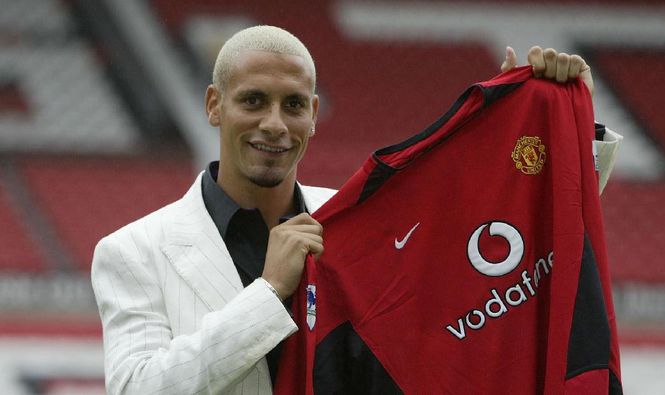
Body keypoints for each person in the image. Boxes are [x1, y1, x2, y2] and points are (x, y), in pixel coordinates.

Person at [91, 25, 621, 394]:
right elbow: (139, 388)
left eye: (293, 105)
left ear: (314, 114)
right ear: (214, 105)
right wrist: (269, 295)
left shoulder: (358, 220)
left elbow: (519, 249)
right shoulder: (134, 251)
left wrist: (543, 121)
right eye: (253, 100)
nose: (274, 123)